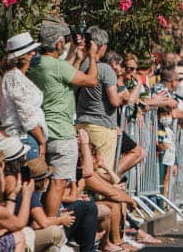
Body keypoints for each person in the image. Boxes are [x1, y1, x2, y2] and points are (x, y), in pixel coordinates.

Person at [26, 20, 99, 218]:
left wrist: (77, 56)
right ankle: (52, 232)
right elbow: (91, 80)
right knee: (58, 184)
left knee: (44, 183)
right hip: (61, 131)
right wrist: (92, 57)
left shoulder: (36, 63)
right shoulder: (57, 65)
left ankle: (43, 225)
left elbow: (63, 78)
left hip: (41, 129)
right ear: (58, 43)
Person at [75, 26, 127, 175]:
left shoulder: (81, 66)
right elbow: (115, 101)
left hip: (82, 123)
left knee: (84, 172)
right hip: (102, 126)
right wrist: (123, 95)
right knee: (101, 173)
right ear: (102, 47)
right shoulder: (105, 69)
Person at [0, 32, 48, 160]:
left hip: (24, 136)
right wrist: (42, 141)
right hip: (23, 137)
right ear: (24, 56)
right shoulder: (14, 78)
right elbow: (27, 116)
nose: (34, 54)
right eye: (32, 51)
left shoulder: (17, 77)